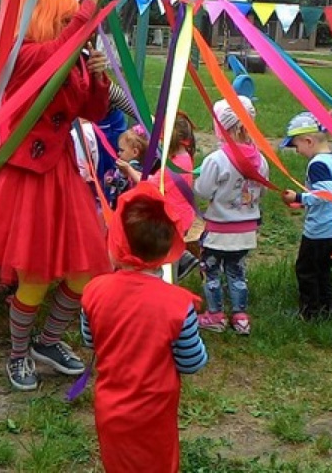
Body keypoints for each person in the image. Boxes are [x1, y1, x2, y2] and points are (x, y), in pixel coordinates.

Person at [0, 0, 113, 391]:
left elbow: (93, 111)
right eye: (63, 15)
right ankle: (18, 354)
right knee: (35, 274)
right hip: (26, 178)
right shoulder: (24, 55)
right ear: (48, 17)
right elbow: (60, 49)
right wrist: (91, 0)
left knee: (84, 273)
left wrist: (99, 78)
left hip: (63, 176)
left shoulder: (73, 57)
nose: (69, 23)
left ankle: (48, 342)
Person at [80, 183, 208, 473]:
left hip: (110, 409)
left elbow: (90, 340)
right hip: (155, 412)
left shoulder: (93, 291)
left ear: (117, 243)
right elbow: (191, 362)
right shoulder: (178, 304)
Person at [194, 97, 268, 335]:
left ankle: (215, 315)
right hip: (246, 232)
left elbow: (203, 191)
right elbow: (262, 191)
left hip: (218, 232)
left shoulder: (217, 160)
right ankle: (240, 316)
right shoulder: (262, 160)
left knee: (211, 270)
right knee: (237, 271)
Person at [281, 112, 332, 321]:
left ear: (308, 141)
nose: (297, 151)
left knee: (306, 269)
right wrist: (305, 202)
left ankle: (309, 312)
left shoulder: (318, 164)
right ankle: (330, 302)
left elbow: (325, 194)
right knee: (322, 268)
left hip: (320, 229)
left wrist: (299, 196)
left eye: (296, 146)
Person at [120, 112, 199, 281]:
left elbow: (149, 184)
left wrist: (129, 169)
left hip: (174, 219)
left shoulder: (175, 165)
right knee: (169, 250)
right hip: (180, 215)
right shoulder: (183, 156)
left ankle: (171, 279)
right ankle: (181, 261)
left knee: (167, 256)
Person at [105, 125, 148, 209]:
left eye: (122, 150)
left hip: (127, 205)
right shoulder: (126, 165)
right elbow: (122, 184)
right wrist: (113, 181)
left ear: (135, 152)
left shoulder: (135, 167)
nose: (118, 153)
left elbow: (127, 185)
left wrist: (127, 170)